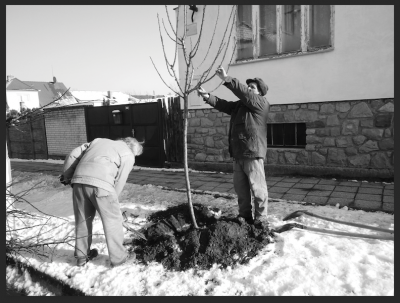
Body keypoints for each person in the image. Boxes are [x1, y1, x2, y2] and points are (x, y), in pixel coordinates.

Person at [197, 66, 270, 226]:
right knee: (241, 190)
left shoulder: (260, 104)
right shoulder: (239, 106)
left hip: (253, 152)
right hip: (238, 153)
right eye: (248, 86)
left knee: (258, 189)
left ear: (259, 92)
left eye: (253, 87)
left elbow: (243, 93)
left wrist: (227, 79)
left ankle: (261, 218)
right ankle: (245, 215)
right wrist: (207, 96)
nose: (249, 89)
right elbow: (223, 105)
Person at [60, 137, 143, 267]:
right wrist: (113, 201)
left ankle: (82, 256)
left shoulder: (97, 141)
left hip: (78, 182)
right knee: (113, 221)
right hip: (102, 186)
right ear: (134, 150)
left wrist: (66, 176)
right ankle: (119, 258)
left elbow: (73, 155)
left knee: (83, 219)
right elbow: (120, 180)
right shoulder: (128, 155)